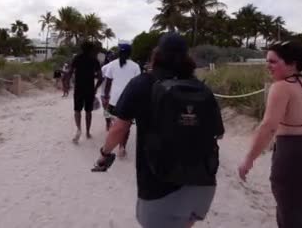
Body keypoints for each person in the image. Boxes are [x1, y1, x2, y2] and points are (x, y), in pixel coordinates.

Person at [93, 33, 224, 228]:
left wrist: (104, 154)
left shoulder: (142, 83)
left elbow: (119, 128)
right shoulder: (201, 88)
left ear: (156, 55)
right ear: (187, 57)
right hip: (201, 185)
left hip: (159, 187)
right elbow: (218, 133)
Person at [238, 41, 302, 228]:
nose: (268, 65)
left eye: (273, 62)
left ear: (292, 63)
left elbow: (268, 127)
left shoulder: (282, 87)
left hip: (294, 156)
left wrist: (249, 159)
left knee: (289, 214)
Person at [102, 43, 140, 158]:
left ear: (119, 52)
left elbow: (108, 83)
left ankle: (109, 128)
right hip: (129, 99)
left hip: (114, 99)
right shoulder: (135, 66)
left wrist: (105, 96)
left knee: (108, 115)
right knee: (126, 124)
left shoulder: (112, 65)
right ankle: (122, 146)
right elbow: (137, 84)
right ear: (130, 53)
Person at [65, 41, 103, 143]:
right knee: (88, 111)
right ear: (91, 49)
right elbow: (100, 77)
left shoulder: (77, 58)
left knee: (77, 110)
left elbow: (70, 72)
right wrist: (95, 88)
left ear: (81, 49)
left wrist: (67, 84)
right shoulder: (94, 60)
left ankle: (78, 129)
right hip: (89, 89)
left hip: (78, 88)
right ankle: (87, 132)